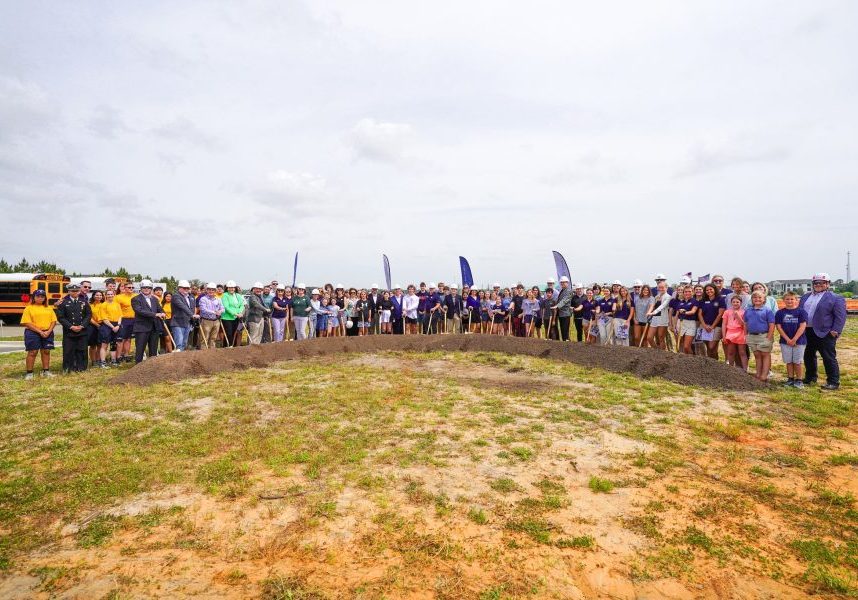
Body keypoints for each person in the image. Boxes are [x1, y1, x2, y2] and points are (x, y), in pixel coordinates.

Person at [799, 273, 846, 390]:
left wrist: (836, 330)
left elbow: (840, 316)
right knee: (808, 355)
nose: (819, 285)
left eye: (822, 283)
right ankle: (810, 378)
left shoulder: (835, 298)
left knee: (828, 357)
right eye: (816, 283)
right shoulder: (805, 297)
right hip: (807, 331)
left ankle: (833, 381)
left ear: (828, 284)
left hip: (825, 332)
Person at [21, 289, 57, 379]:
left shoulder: (48, 308)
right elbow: (27, 323)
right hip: (33, 332)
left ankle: (46, 371)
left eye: (42, 296)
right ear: (34, 297)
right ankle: (29, 373)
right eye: (38, 296)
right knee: (33, 352)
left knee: (46, 351)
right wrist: (40, 332)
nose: (40, 298)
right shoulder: (29, 308)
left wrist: (48, 331)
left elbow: (54, 321)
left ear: (45, 298)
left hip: (47, 332)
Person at [56, 283, 91, 373]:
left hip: (82, 330)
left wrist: (82, 325)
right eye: (72, 291)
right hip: (69, 331)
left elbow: (88, 315)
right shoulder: (63, 302)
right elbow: (60, 317)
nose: (75, 292)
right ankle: (68, 368)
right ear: (69, 292)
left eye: (76, 291)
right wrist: (71, 326)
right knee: (68, 350)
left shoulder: (84, 302)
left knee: (82, 350)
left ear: (79, 291)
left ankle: (82, 367)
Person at [776, 291, 808, 388]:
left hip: (799, 341)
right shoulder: (780, 312)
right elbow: (779, 327)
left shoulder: (801, 312)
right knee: (788, 361)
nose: (789, 301)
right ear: (784, 300)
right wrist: (787, 339)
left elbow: (803, 326)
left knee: (797, 361)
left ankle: (799, 380)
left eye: (792, 299)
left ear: (796, 300)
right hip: (785, 341)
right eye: (787, 299)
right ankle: (790, 379)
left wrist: (794, 339)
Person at [131, 280, 166, 363]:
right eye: (144, 287)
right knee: (140, 348)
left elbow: (160, 309)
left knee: (153, 349)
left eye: (148, 288)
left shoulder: (154, 299)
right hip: (142, 328)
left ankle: (152, 366)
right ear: (141, 288)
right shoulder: (135, 299)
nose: (146, 289)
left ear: (151, 289)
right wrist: (155, 314)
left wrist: (163, 313)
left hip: (154, 327)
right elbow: (139, 311)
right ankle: (138, 367)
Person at [745, 290, 775, 382]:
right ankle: (758, 373)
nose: (757, 299)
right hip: (752, 336)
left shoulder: (767, 310)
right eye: (754, 297)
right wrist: (746, 335)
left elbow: (771, 325)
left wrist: (769, 337)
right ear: (752, 299)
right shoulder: (748, 310)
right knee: (757, 355)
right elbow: (745, 323)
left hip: (764, 335)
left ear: (764, 299)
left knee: (765, 355)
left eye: (759, 297)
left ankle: (764, 375)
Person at [697, 284, 725, 359]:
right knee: (707, 347)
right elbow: (700, 314)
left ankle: (715, 362)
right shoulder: (702, 300)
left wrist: (712, 327)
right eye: (707, 290)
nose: (709, 291)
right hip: (704, 326)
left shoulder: (720, 299)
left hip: (716, 326)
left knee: (711, 346)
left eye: (711, 289)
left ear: (715, 289)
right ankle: (710, 364)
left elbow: (720, 314)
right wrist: (704, 326)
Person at [722, 295, 748, 370]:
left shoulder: (744, 312)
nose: (735, 303)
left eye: (737, 302)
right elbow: (724, 324)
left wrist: (738, 316)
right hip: (730, 333)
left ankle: (745, 369)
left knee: (742, 352)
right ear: (731, 303)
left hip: (740, 333)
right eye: (734, 302)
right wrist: (724, 336)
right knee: (730, 352)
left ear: (741, 303)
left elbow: (744, 325)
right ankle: (731, 369)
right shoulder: (727, 312)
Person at [170, 280, 197, 351]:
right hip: (178, 322)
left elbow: (192, 308)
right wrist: (192, 315)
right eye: (184, 288)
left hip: (187, 322)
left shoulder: (191, 297)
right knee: (179, 343)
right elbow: (182, 306)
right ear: (179, 288)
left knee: (184, 343)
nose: (186, 289)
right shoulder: (176, 296)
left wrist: (193, 318)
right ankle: (177, 359)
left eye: (187, 288)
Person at [98, 289, 122, 365]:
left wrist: (118, 325)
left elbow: (120, 315)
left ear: (114, 295)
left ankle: (113, 360)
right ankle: (103, 362)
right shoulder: (103, 305)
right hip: (107, 325)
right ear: (105, 295)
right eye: (108, 294)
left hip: (116, 325)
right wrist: (112, 327)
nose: (110, 295)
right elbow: (104, 318)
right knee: (104, 344)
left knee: (114, 344)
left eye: (111, 294)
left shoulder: (117, 304)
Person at [198, 283, 224, 348]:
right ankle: (203, 353)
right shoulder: (203, 299)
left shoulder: (218, 299)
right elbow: (203, 309)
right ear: (206, 290)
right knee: (204, 339)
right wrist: (214, 312)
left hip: (216, 321)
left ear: (215, 291)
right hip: (206, 321)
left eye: (213, 290)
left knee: (213, 338)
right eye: (209, 289)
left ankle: (212, 353)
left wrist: (220, 311)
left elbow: (223, 308)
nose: (211, 291)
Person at [647, 282, 672, 350]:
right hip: (655, 319)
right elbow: (653, 306)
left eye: (662, 287)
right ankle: (656, 350)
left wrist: (653, 312)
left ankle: (662, 353)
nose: (660, 289)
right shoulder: (656, 296)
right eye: (659, 287)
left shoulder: (668, 297)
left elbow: (662, 306)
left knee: (661, 337)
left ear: (666, 288)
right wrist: (649, 312)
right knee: (649, 337)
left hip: (663, 319)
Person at [115, 281, 136, 362]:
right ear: (124, 288)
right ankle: (118, 356)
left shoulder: (136, 296)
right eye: (129, 287)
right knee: (121, 339)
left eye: (132, 287)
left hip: (133, 319)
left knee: (128, 338)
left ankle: (126, 355)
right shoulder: (118, 297)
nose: (131, 289)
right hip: (123, 319)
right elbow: (116, 309)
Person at [221, 280, 245, 347]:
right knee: (229, 334)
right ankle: (227, 346)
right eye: (229, 287)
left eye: (233, 287)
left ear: (235, 288)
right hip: (227, 318)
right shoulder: (225, 295)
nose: (231, 289)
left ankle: (232, 347)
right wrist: (236, 314)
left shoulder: (238, 295)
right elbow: (226, 307)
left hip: (236, 318)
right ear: (227, 288)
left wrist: (240, 313)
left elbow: (242, 305)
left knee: (234, 333)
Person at [676, 285, 699, 355]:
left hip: (691, 324)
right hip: (680, 322)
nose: (687, 293)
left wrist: (684, 312)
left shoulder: (695, 301)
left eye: (689, 291)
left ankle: (692, 360)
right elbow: (677, 314)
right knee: (681, 344)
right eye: (685, 292)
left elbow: (693, 311)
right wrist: (674, 325)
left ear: (692, 292)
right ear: (683, 293)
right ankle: (685, 361)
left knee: (686, 346)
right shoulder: (680, 302)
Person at [88, 290, 105, 366]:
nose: (99, 296)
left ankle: (98, 359)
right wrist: (96, 325)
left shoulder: (104, 304)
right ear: (93, 296)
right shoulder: (90, 305)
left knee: (100, 344)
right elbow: (89, 317)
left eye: (100, 295)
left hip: (103, 325)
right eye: (97, 295)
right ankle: (93, 361)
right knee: (93, 345)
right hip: (92, 326)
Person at [553, 276, 573, 341]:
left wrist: (557, 306)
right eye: (561, 283)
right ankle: (565, 343)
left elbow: (564, 300)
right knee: (562, 330)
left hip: (565, 314)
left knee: (565, 331)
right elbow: (559, 300)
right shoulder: (562, 290)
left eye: (564, 282)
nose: (562, 284)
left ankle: (566, 345)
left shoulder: (569, 291)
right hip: (561, 314)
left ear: (567, 283)